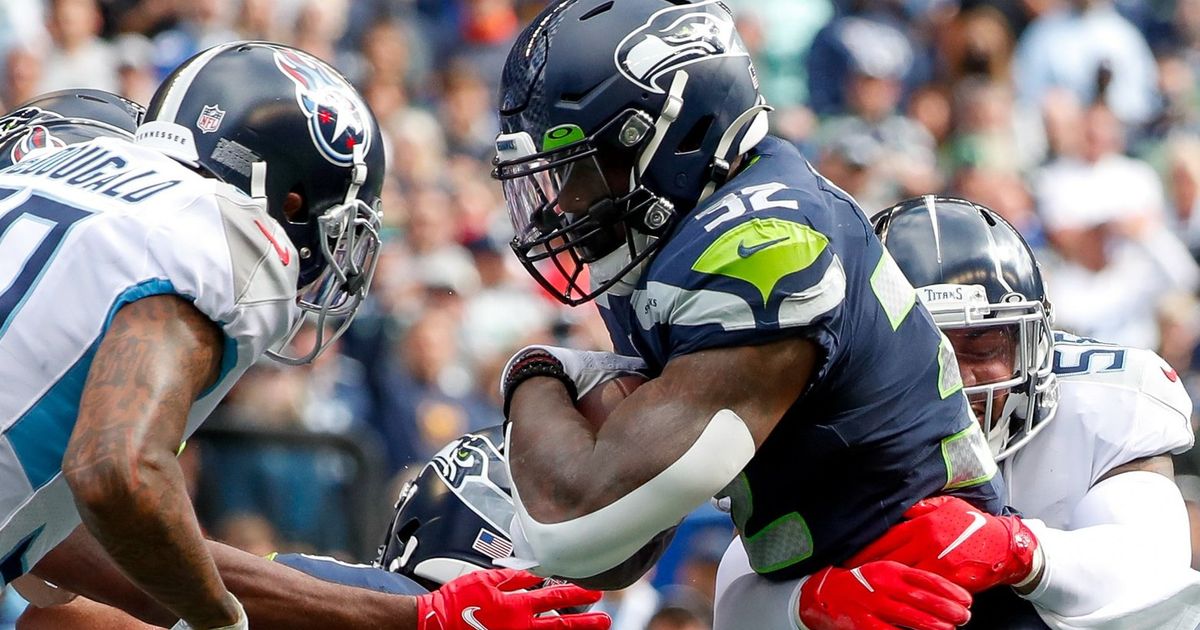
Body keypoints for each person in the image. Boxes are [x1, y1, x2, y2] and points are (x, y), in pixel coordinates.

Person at [0, 48, 606, 630]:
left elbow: (67, 540)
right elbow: (117, 472)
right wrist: (220, 621)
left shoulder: (41, 177)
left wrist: (413, 618)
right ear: (290, 198)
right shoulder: (218, 228)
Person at [492, 2, 1011, 628]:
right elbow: (612, 559)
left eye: (582, 169)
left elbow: (580, 529)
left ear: (674, 135)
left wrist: (535, 372)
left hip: (945, 604)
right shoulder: (675, 235)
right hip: (837, 596)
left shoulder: (764, 242)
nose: (564, 207)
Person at [714, 196, 1200, 629]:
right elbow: (738, 594)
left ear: (1034, 345)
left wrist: (1017, 551)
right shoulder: (820, 418)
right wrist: (806, 604)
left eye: (983, 344)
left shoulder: (1103, 400)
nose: (958, 376)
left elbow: (1157, 582)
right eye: (927, 348)